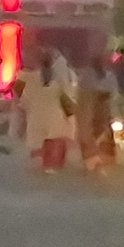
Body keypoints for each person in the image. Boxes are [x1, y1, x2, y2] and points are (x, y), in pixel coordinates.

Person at [26, 46, 82, 174]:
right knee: (54, 139)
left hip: (38, 113)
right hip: (55, 111)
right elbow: (66, 93)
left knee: (43, 139)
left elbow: (26, 96)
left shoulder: (32, 77)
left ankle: (45, 162)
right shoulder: (61, 75)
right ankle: (52, 163)